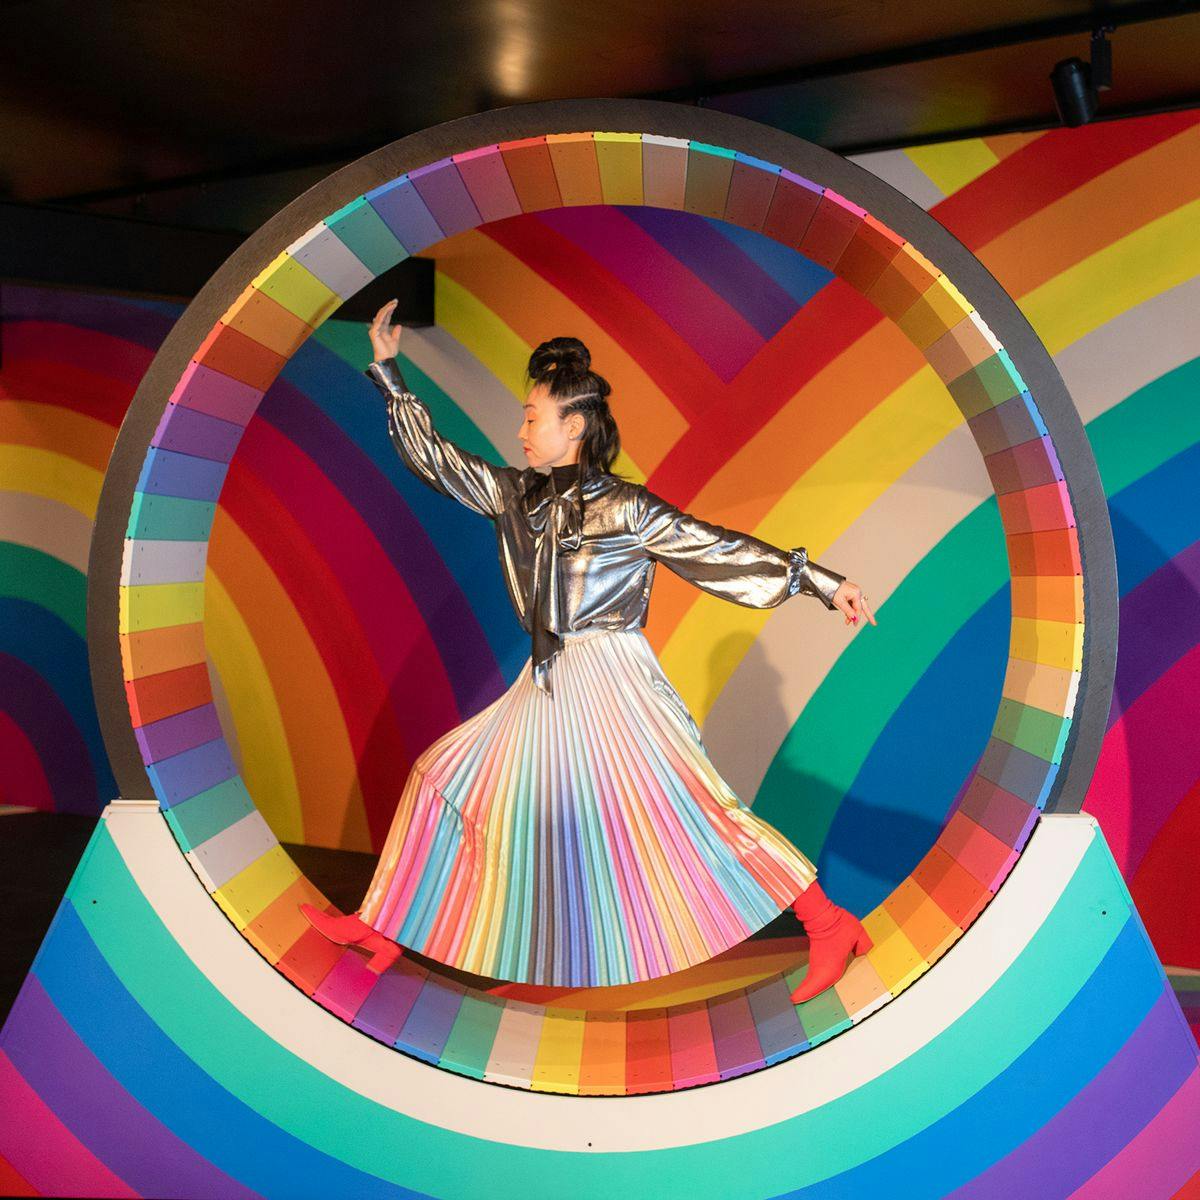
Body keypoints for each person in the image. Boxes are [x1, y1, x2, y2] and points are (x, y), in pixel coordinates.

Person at [301, 300, 879, 1004]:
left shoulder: (627, 507)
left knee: (696, 810)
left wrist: (823, 582)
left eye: (531, 417)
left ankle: (828, 924)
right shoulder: (516, 496)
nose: (520, 430)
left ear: (572, 427)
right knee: (447, 776)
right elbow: (439, 462)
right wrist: (389, 371)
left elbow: (715, 549)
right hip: (548, 676)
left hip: (613, 677)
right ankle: (383, 927)